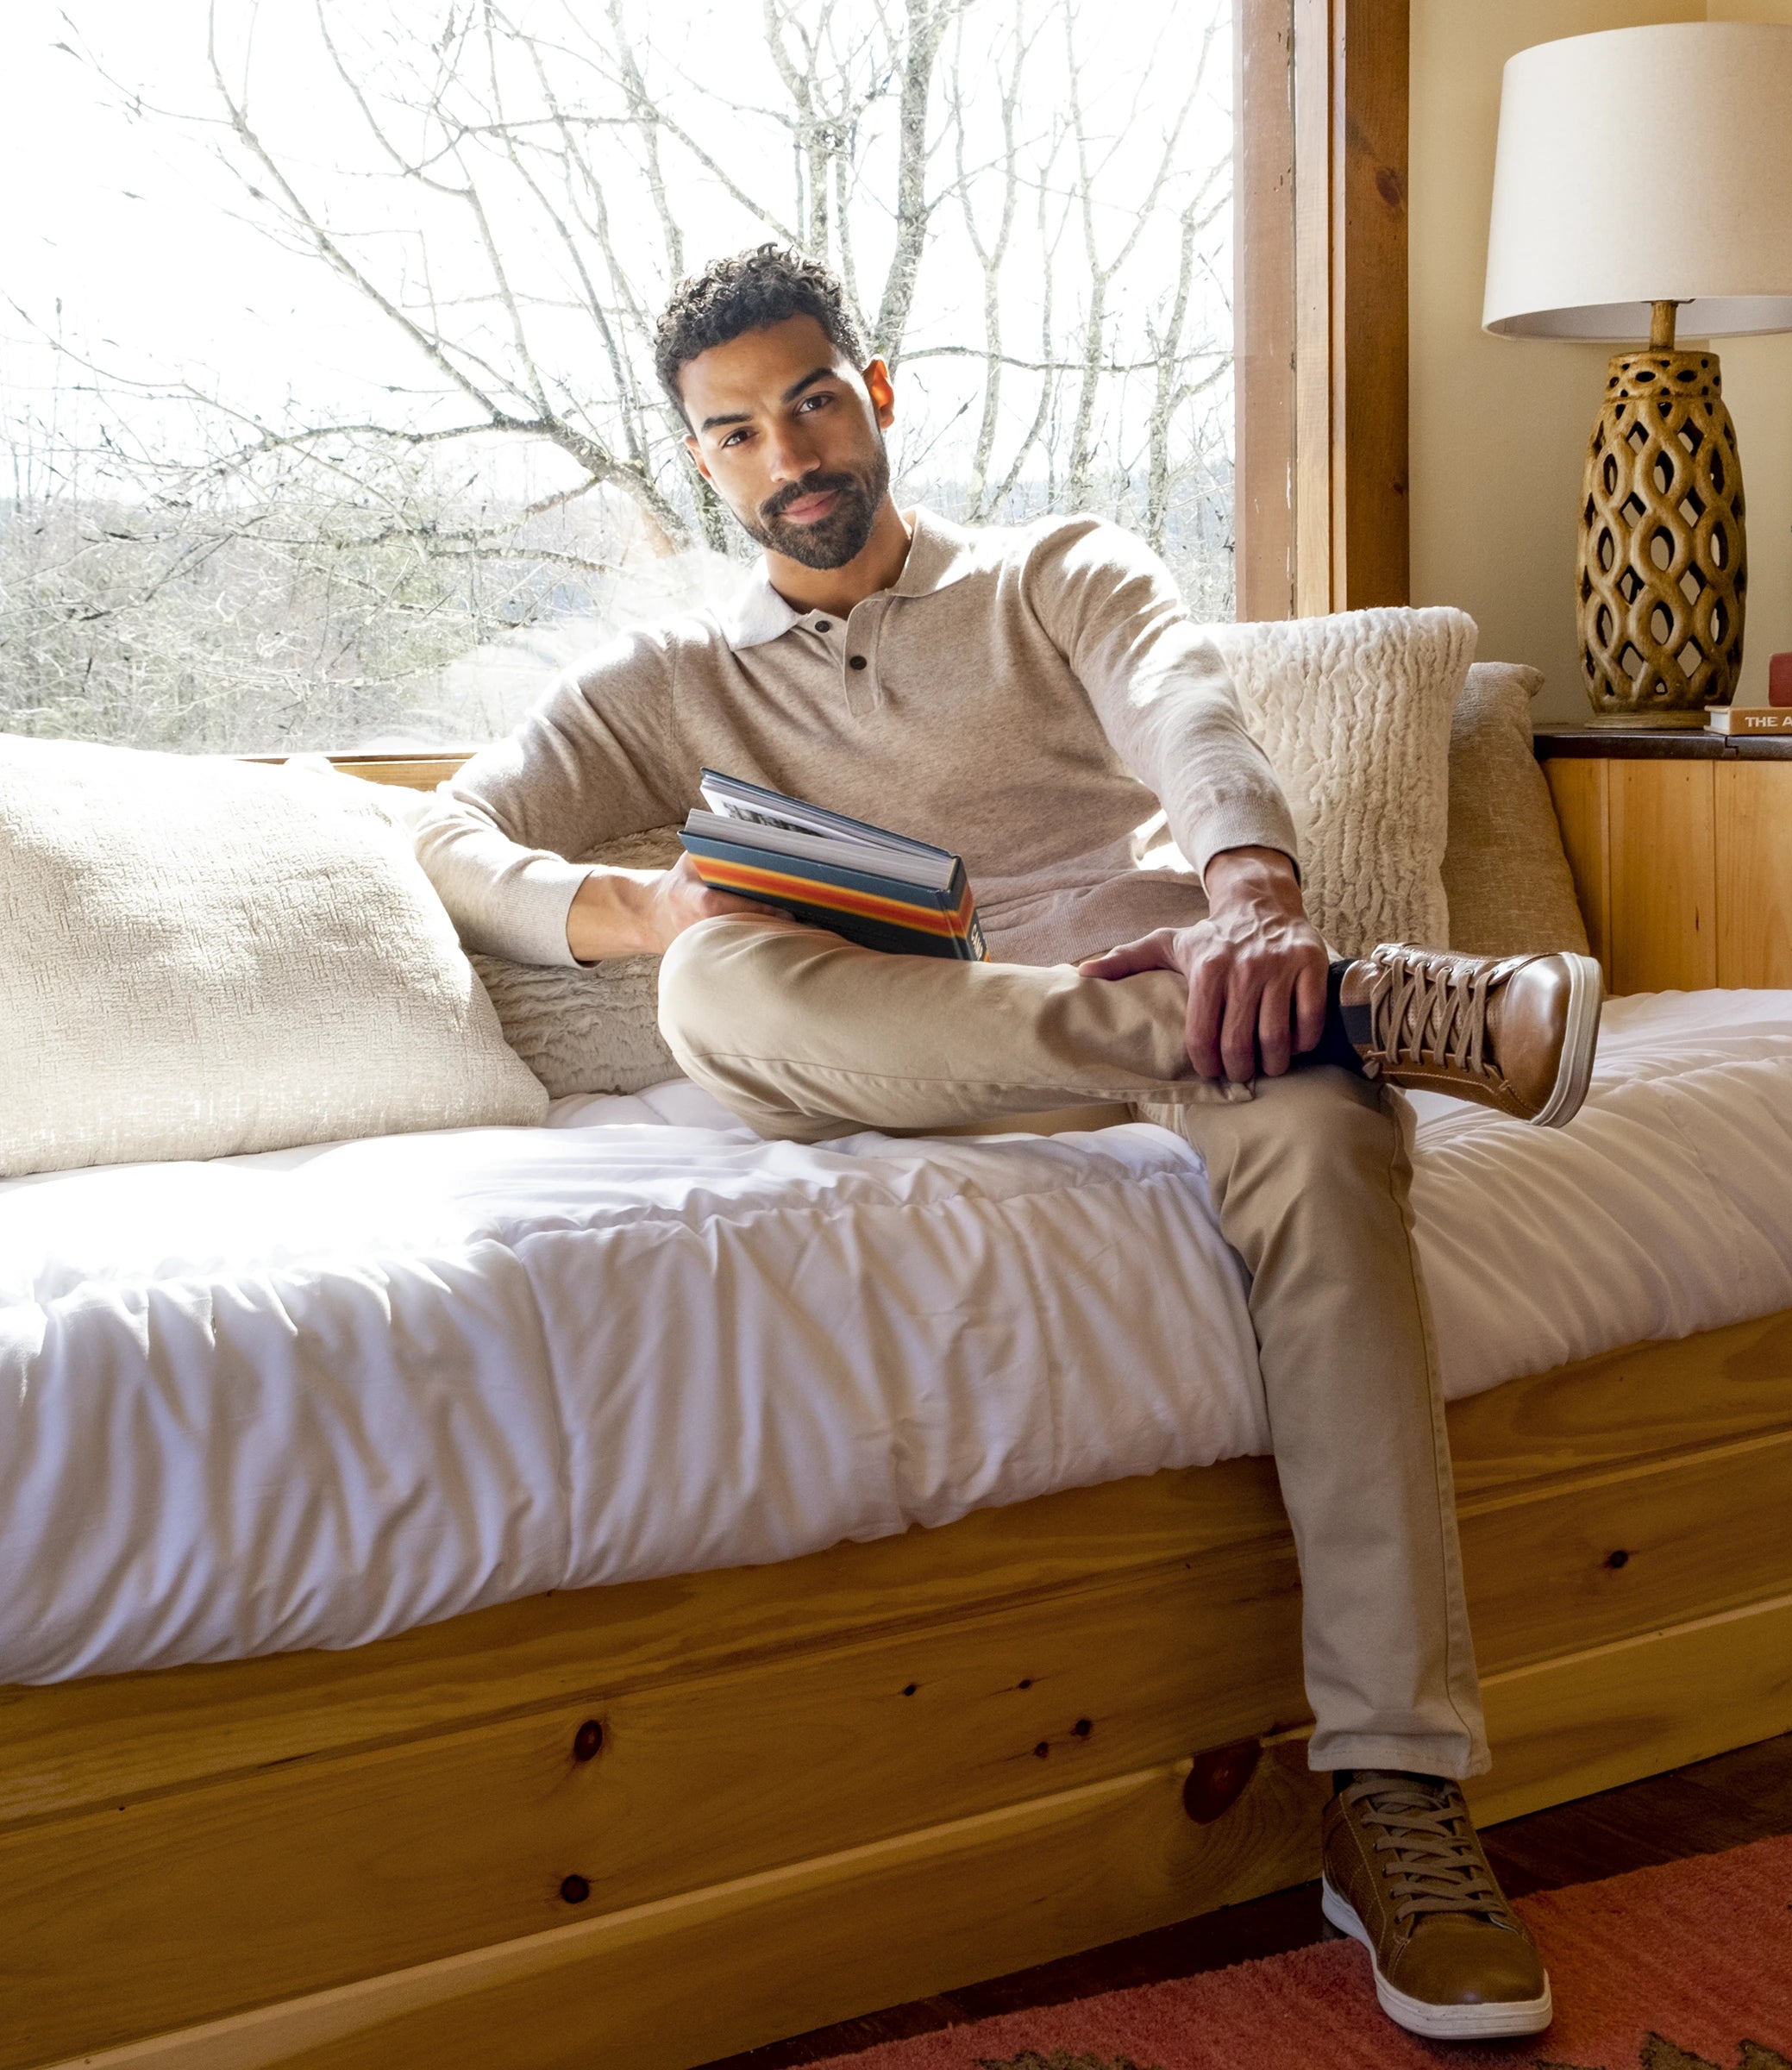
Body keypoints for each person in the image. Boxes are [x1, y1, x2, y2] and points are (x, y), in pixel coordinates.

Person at [416, 243, 1601, 2043]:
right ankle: (1391, 1006)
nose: (788, 454)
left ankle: (1398, 1793)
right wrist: (626, 909)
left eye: (812, 400)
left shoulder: (1055, 570)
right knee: (721, 985)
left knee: (1325, 1134)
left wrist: (1261, 900)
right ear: (703, 466)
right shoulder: (668, 683)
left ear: (873, 392)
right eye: (735, 434)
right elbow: (447, 837)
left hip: (1169, 986)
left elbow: (1190, 714)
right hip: (879, 1031)